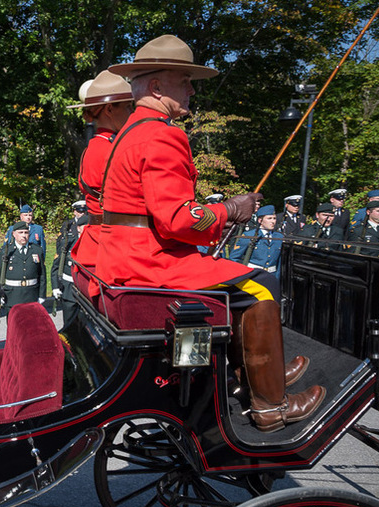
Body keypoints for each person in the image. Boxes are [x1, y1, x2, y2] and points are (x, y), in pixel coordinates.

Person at [98, 34, 323, 433]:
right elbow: (177, 219)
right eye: (184, 81)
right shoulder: (162, 134)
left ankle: (252, 373)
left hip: (129, 253)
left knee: (242, 281)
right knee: (262, 288)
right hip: (151, 261)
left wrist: (222, 211)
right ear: (155, 87)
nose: (190, 90)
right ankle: (271, 405)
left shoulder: (129, 132)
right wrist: (229, 209)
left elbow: (157, 209)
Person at [71, 69, 134, 293]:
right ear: (109, 109)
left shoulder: (97, 146)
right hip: (114, 245)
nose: (131, 113)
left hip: (96, 240)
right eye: (127, 107)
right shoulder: (112, 149)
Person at [0, 221, 46, 314]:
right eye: (20, 232)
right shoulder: (6, 251)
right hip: (12, 296)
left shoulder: (37, 250)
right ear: (14, 234)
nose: (23, 235)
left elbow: (42, 274)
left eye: (26, 232)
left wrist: (42, 295)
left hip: (31, 294)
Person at [53, 209, 88, 325]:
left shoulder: (95, 245)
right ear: (78, 228)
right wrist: (55, 287)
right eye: (84, 226)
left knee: (86, 325)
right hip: (69, 288)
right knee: (68, 323)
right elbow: (56, 266)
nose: (87, 228)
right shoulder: (67, 243)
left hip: (86, 291)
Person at [230, 205, 284, 278]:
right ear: (260, 220)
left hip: (271, 276)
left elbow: (279, 262)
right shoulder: (249, 236)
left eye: (274, 218)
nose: (273, 221)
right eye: (269, 218)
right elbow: (234, 258)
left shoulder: (279, 237)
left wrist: (277, 279)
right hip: (253, 276)